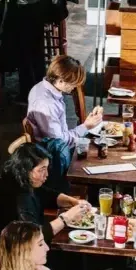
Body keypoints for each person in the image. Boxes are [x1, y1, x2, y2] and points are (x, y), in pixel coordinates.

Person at [0, 143, 90, 252]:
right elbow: (34, 237)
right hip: (10, 260)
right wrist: (66, 218)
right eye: (41, 169)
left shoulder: (20, 179)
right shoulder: (16, 196)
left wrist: (73, 201)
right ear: (26, 169)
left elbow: (46, 194)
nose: (46, 174)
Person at [27, 55, 103, 190]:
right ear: (61, 80)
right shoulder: (46, 104)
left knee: (98, 144)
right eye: (73, 83)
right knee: (98, 155)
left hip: (54, 147)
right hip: (53, 156)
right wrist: (86, 126)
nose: (75, 86)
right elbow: (59, 142)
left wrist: (86, 126)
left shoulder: (42, 87)